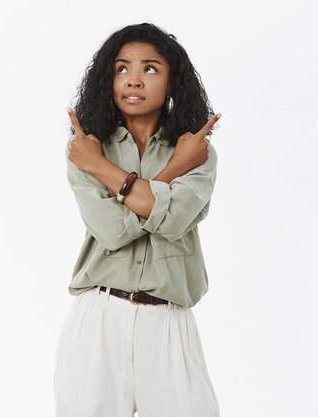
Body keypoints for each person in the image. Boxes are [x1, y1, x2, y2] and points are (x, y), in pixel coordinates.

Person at [54, 22, 221, 417]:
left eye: (150, 69)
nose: (134, 80)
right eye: (122, 68)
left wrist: (105, 171)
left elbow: (175, 219)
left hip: (168, 322)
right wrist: (167, 177)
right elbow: (112, 231)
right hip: (98, 320)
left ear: (171, 80)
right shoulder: (86, 149)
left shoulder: (196, 153)